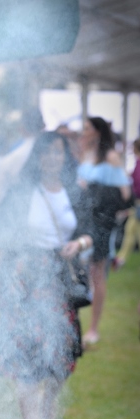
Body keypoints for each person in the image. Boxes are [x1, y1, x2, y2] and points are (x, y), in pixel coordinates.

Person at [0, 131, 93, 419]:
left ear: (65, 156)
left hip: (59, 280)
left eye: (58, 152)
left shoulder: (75, 191)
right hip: (25, 277)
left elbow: (93, 232)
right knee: (25, 352)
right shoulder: (23, 191)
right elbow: (3, 234)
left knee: (61, 353)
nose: (52, 157)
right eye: (46, 152)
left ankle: (48, 409)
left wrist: (79, 244)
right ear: (38, 156)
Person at [77, 116, 131, 346]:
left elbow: (125, 194)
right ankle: (78, 323)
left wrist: (96, 193)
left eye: (87, 128)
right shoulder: (86, 155)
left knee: (98, 274)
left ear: (97, 132)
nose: (84, 132)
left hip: (101, 224)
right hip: (83, 223)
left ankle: (94, 328)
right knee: (82, 274)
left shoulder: (110, 157)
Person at [0, 106, 45, 206]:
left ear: (22, 128)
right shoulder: (57, 153)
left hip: (20, 208)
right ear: (43, 126)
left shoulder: (13, 158)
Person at [114, 138, 140, 268]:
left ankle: (120, 259)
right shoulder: (137, 163)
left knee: (133, 231)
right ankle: (120, 259)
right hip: (137, 203)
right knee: (130, 231)